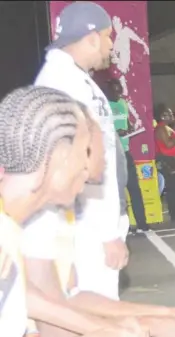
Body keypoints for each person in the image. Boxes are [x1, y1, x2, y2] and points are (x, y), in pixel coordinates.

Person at [0, 86, 145, 337]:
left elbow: (22, 301)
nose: (87, 170)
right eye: (83, 153)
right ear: (59, 158)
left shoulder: (9, 227)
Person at [32, 0, 129, 306]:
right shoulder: (64, 83)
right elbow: (76, 165)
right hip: (87, 230)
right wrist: (105, 232)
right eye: (107, 35)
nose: (111, 44)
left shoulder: (75, 79)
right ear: (90, 38)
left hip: (90, 227)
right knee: (96, 314)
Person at [104, 78, 150, 234]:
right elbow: (102, 130)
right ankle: (124, 226)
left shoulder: (123, 104)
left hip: (126, 152)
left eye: (120, 90)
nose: (118, 94)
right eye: (115, 91)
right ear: (108, 91)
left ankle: (142, 224)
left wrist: (130, 129)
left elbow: (126, 122)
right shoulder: (104, 106)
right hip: (112, 153)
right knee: (117, 192)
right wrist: (117, 133)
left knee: (134, 189)